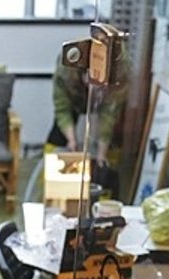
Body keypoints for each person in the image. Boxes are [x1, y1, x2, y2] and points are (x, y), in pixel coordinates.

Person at [46, 38, 130, 196]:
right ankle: (53, 189)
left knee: (111, 145)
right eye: (90, 82)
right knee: (58, 138)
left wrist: (101, 154)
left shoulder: (120, 74)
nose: (94, 89)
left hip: (109, 95)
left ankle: (103, 188)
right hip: (74, 95)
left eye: (98, 85)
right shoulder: (67, 67)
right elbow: (62, 109)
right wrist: (72, 140)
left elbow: (109, 116)